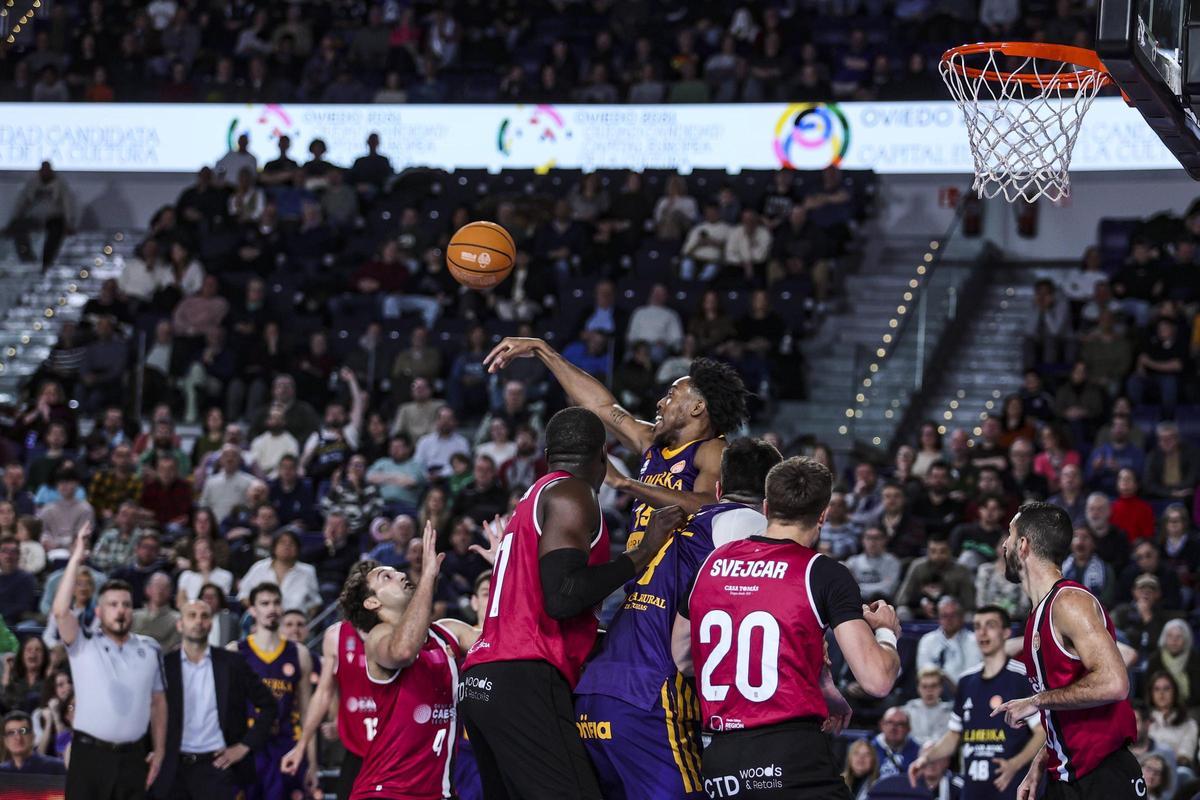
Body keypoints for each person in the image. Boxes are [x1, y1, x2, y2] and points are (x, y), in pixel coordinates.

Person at [458, 408, 680, 799]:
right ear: (602, 457)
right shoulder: (572, 492)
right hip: (523, 676)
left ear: (547, 453)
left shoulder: (532, 497)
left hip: (482, 679)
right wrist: (643, 553)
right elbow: (562, 597)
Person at [574, 438, 785, 799]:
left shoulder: (684, 526)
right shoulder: (745, 520)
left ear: (718, 487)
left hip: (595, 693)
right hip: (649, 697)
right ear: (769, 499)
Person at [680, 457, 902, 798]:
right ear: (823, 515)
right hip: (789, 756)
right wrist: (886, 633)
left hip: (721, 759)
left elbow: (682, 657)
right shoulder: (821, 572)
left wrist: (825, 689)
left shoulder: (711, 563)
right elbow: (877, 679)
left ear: (767, 507)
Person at [486, 338, 749, 548]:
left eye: (671, 395)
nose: (660, 402)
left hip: (679, 578)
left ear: (697, 407)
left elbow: (705, 506)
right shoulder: (652, 441)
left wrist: (627, 484)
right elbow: (600, 405)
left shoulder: (714, 449)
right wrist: (542, 350)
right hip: (642, 573)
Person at [993, 502, 1140, 800]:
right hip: (1066, 776)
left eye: (1009, 534)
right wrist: (1041, 762)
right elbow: (1069, 709)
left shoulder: (1069, 601)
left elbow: (1114, 683)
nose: (1004, 544)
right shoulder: (1039, 612)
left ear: (1023, 545)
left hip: (1102, 778)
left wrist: (1035, 701)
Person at [337, 533, 481, 800]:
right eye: (386, 577)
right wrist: (427, 578)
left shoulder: (448, 631)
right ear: (372, 602)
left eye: (398, 572)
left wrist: (503, 573)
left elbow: (502, 642)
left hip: (440, 792)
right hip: (387, 791)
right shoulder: (377, 637)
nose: (402, 575)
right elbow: (403, 651)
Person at [52, 522, 167, 799]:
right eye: (114, 605)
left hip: (132, 757)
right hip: (89, 756)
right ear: (100, 612)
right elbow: (60, 610)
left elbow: (158, 702)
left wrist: (160, 750)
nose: (121, 611)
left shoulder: (150, 649)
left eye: (126, 605)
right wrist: (77, 558)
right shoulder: (83, 643)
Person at [908, 605, 1047, 800]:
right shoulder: (966, 681)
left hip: (1010, 787)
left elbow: (1042, 733)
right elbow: (955, 735)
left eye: (990, 625)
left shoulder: (1021, 677)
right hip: (973, 789)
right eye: (977, 626)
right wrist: (926, 759)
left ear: (1006, 632)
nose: (982, 632)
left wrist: (1015, 764)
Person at [152, 601, 279, 800]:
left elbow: (269, 705)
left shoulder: (232, 663)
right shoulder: (164, 666)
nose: (198, 621)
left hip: (218, 767)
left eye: (204, 616)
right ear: (180, 624)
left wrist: (244, 747)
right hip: (172, 769)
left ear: (211, 624)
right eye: (191, 615)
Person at [228, 583, 313, 800]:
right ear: (253, 610)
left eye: (276, 602)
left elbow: (307, 713)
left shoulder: (299, 653)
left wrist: (312, 762)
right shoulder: (235, 651)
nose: (272, 608)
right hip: (246, 748)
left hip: (286, 747)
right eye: (264, 603)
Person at [280, 606, 373, 800]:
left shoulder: (315, 660)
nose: (295, 630)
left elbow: (331, 693)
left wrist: (337, 720)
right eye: (289, 625)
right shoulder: (335, 639)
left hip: (383, 743)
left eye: (299, 625)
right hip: (281, 736)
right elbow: (325, 693)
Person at [5, 161, 75, 269]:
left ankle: (47, 263)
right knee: (18, 227)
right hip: (34, 218)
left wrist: (69, 223)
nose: (45, 173)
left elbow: (67, 204)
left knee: (55, 235)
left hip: (54, 218)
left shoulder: (60, 184)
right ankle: (27, 257)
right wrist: (14, 218)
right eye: (43, 171)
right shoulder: (32, 183)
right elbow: (22, 202)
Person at [916, 597, 983, 686]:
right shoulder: (927, 640)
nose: (949, 620)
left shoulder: (974, 641)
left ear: (961, 617)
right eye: (944, 616)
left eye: (953, 615)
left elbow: (973, 674)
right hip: (934, 694)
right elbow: (923, 673)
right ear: (939, 618)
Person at [0, 710, 66, 774]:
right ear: (5, 740)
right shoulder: (2, 771)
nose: (18, 737)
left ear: (33, 736)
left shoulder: (57, 768)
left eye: (24, 731)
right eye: (11, 733)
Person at [903, 667, 955, 746]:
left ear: (941, 688)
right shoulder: (907, 710)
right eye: (924, 686)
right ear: (918, 688)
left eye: (933, 686)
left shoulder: (949, 712)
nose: (929, 691)